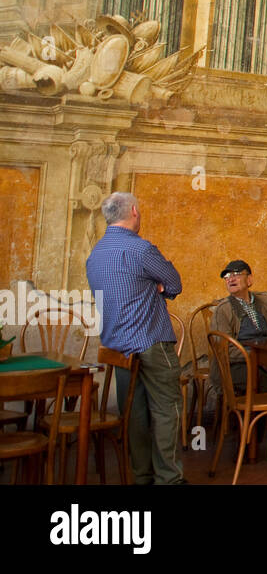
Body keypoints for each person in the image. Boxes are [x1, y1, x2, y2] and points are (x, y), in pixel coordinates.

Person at [85, 191, 184, 485]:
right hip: (151, 339)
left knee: (135, 414)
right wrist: (161, 288)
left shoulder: (95, 255)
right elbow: (175, 283)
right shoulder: (141, 250)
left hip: (118, 346)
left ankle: (142, 477)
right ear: (135, 212)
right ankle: (170, 479)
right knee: (167, 409)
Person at [209, 259, 267, 396]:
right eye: (227, 276)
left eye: (236, 274)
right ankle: (262, 417)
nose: (230, 279)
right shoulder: (223, 309)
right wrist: (259, 359)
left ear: (249, 280)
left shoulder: (266, 302)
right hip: (236, 365)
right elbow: (225, 351)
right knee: (264, 381)